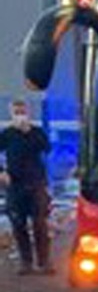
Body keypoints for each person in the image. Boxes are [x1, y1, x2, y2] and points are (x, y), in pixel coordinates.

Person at [0, 100, 53, 275]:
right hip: (15, 184)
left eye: (22, 112)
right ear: (11, 114)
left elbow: (47, 148)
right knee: (18, 224)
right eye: (16, 112)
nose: (20, 115)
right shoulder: (7, 134)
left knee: (39, 223)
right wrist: (1, 172)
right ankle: (26, 262)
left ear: (28, 113)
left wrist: (28, 131)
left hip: (36, 182)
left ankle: (44, 261)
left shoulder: (37, 132)